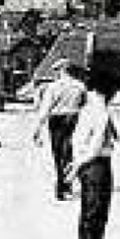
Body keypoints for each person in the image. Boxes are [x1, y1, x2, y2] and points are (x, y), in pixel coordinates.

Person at [65, 66, 120, 239]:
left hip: (88, 164)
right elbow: (96, 145)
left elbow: (76, 141)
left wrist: (76, 163)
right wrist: (78, 165)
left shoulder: (87, 109)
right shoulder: (101, 112)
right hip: (97, 164)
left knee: (90, 214)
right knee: (96, 214)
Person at [31, 58, 88, 200]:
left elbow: (44, 110)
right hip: (74, 119)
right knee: (68, 152)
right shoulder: (80, 86)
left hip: (57, 120)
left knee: (58, 154)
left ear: (62, 71)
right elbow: (84, 105)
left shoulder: (54, 87)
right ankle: (67, 185)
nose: (56, 74)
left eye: (57, 71)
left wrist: (37, 130)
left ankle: (61, 187)